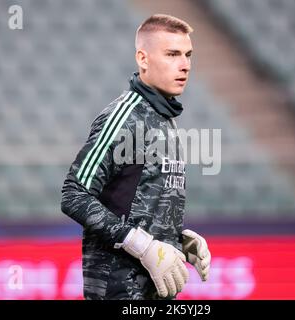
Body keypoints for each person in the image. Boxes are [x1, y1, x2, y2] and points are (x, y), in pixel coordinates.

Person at [61, 14, 211, 300]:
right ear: (143, 59)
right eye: (172, 54)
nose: (185, 65)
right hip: (117, 291)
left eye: (188, 55)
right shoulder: (124, 118)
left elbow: (133, 203)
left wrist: (174, 238)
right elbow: (74, 194)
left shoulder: (164, 118)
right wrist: (144, 247)